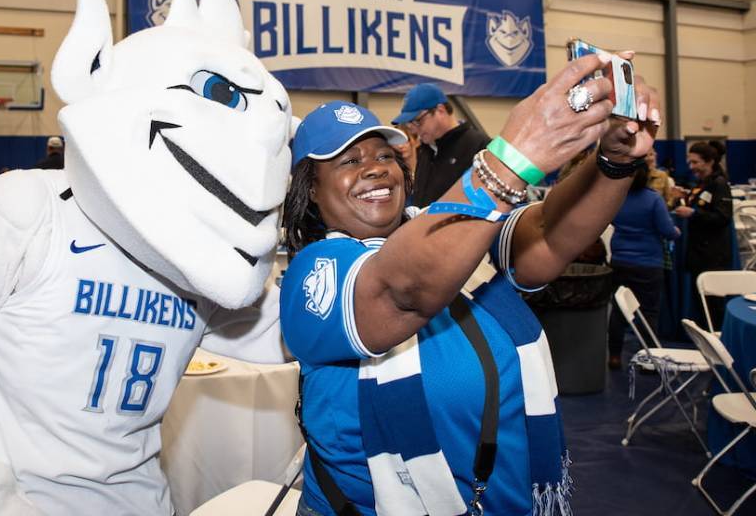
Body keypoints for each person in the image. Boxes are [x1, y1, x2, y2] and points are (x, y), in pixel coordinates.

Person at [0, 0, 291, 514]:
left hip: (144, 501)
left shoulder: (201, 257)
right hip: (18, 501)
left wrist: (377, 286)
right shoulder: (26, 209)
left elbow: (285, 330)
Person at [281, 51, 658, 516]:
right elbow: (402, 291)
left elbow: (546, 239)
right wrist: (512, 157)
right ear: (312, 191)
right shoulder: (313, 273)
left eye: (385, 155)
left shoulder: (446, 232)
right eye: (348, 160)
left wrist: (613, 163)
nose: (376, 167)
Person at [606, 165, 681, 369]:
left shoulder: (617, 197)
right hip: (648, 262)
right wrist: (676, 231)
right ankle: (648, 360)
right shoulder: (653, 198)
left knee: (619, 310)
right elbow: (667, 230)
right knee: (649, 311)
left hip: (620, 259)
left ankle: (614, 356)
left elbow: (610, 220)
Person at [391, 83, 490, 205]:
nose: (414, 130)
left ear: (440, 110)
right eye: (409, 124)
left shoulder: (479, 146)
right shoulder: (425, 149)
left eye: (418, 121)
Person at [672, 140, 734, 330]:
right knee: (701, 303)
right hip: (698, 252)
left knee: (714, 305)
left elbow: (723, 217)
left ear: (709, 162)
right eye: (690, 162)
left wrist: (693, 214)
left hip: (713, 254)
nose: (691, 167)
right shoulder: (702, 183)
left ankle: (719, 342)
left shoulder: (719, 184)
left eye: (695, 162)